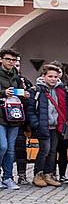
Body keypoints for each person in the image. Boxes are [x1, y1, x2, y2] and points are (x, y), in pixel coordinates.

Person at [28, 63, 67, 188]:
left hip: (55, 126)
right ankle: (38, 175)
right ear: (44, 76)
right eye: (50, 76)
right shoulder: (37, 90)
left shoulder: (60, 90)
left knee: (52, 151)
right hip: (43, 126)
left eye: (55, 77)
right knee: (44, 150)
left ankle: (48, 174)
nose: (53, 79)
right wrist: (36, 124)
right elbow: (31, 110)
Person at [0, 48, 29, 190]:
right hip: (0, 115)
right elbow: (5, 92)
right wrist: (3, 92)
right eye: (8, 59)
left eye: (13, 60)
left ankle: (7, 177)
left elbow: (18, 92)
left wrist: (24, 94)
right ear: (1, 59)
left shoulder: (16, 75)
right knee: (2, 146)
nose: (11, 62)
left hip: (14, 115)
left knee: (11, 149)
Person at [13, 55, 33, 185]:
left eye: (18, 65)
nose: (16, 67)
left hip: (20, 120)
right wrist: (19, 92)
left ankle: (22, 175)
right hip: (3, 118)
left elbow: (29, 101)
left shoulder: (24, 81)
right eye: (14, 64)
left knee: (21, 149)